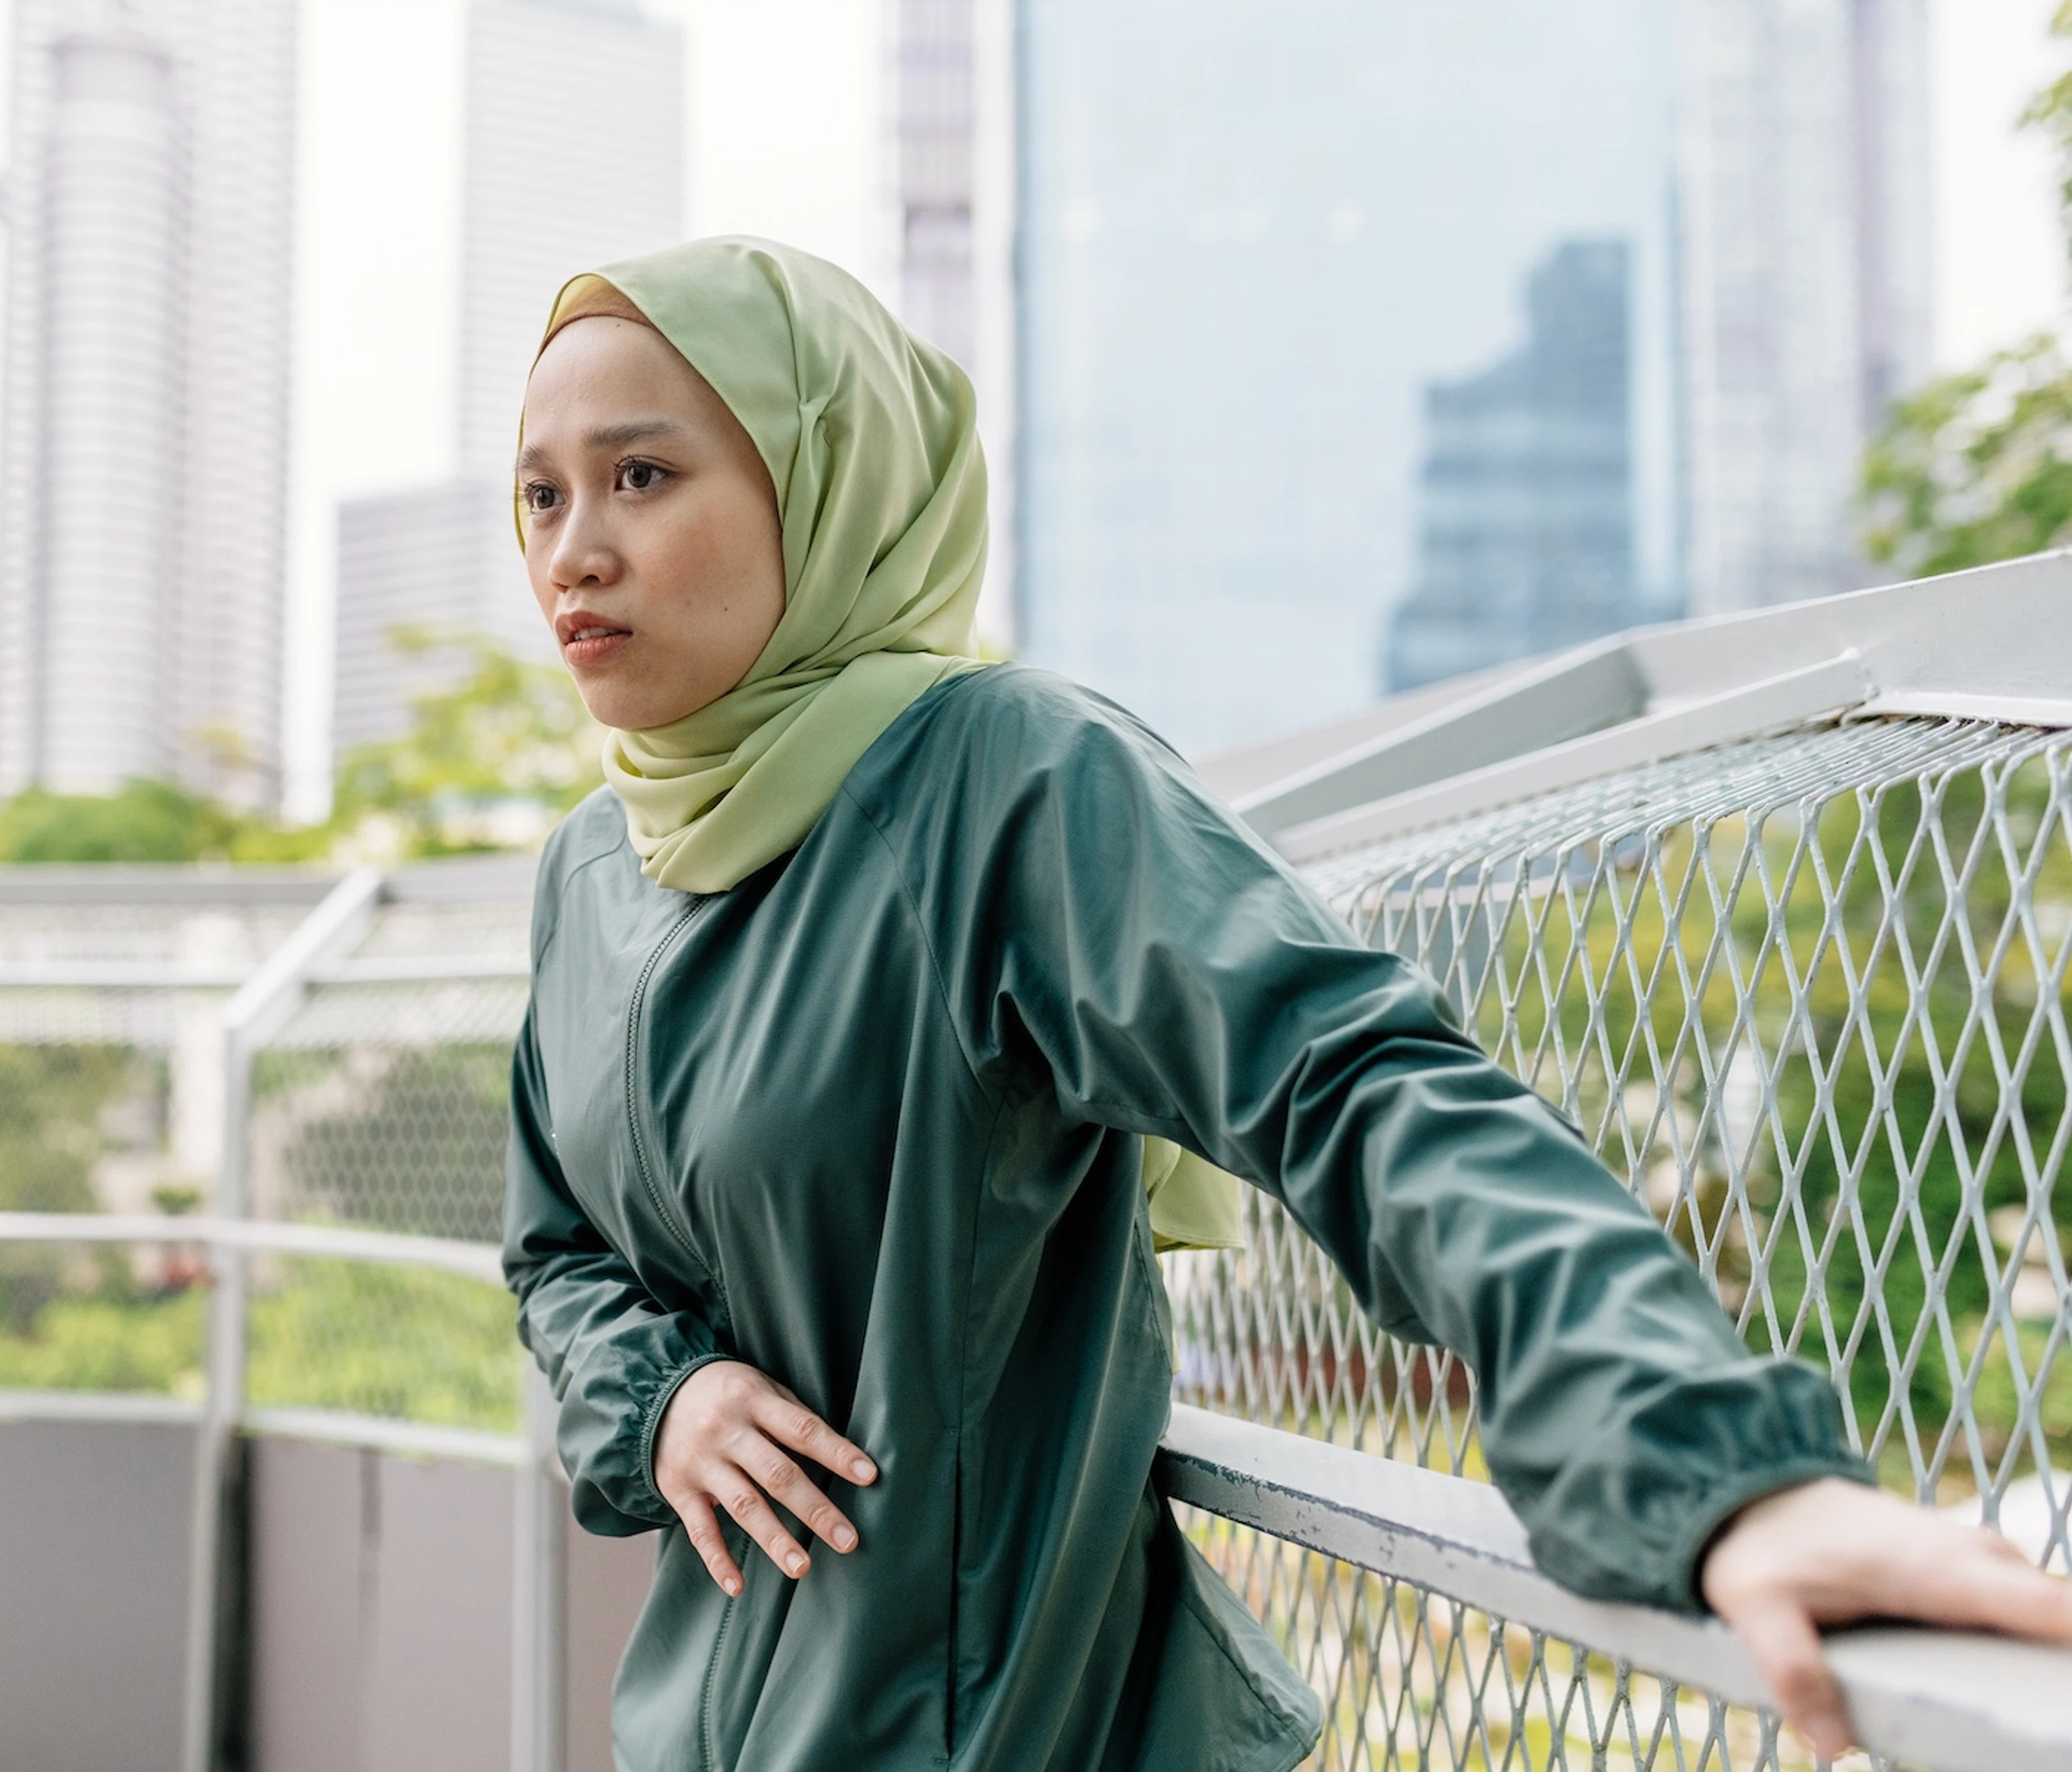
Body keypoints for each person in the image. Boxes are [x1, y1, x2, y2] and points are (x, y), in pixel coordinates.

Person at [498, 236, 2071, 1772]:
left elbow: (1359, 1088)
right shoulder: (593, 870)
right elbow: (558, 1242)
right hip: (690, 1721)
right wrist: (669, 1393)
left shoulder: (1004, 779)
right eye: (543, 492)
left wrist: (1717, 1470)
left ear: (828, 479)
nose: (575, 546)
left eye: (643, 475)